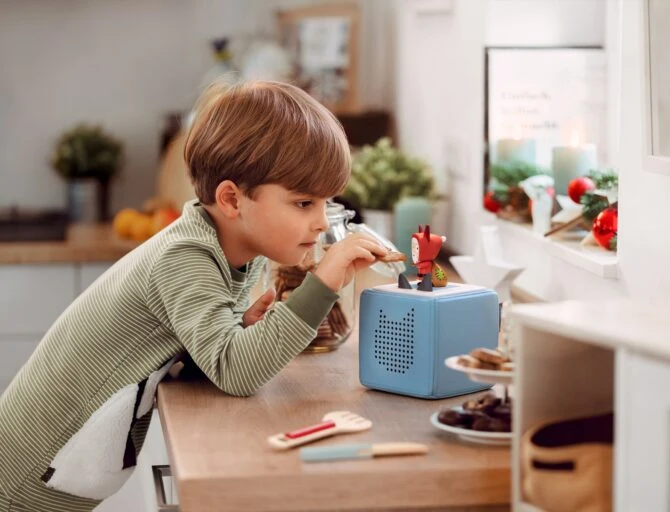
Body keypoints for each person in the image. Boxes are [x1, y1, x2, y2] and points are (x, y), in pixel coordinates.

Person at [0, 79, 388, 511]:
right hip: (23, 478)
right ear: (231, 199)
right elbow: (236, 372)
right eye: (303, 203)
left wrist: (239, 328)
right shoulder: (186, 256)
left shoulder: (238, 249)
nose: (320, 222)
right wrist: (324, 283)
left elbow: (209, 350)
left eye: (326, 202)